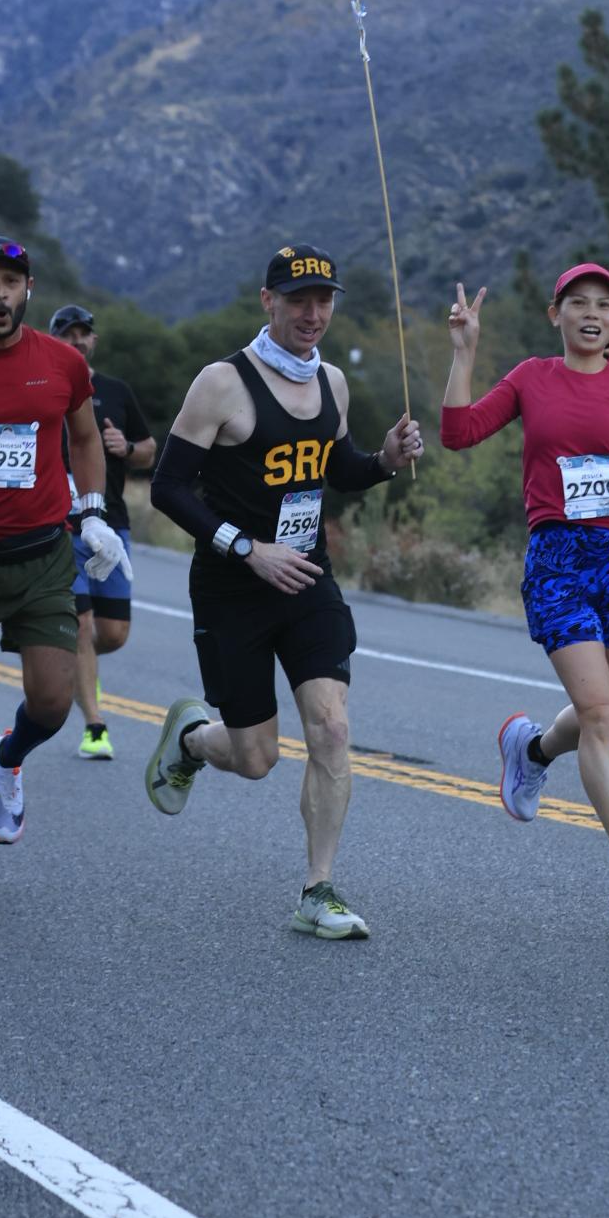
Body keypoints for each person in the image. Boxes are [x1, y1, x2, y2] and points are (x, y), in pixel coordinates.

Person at [144, 242, 421, 940]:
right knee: (256, 758)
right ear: (268, 301)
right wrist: (247, 548)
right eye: (298, 300)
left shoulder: (333, 383)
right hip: (232, 588)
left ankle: (317, 890)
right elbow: (168, 488)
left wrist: (385, 461)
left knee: (332, 728)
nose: (313, 313)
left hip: (306, 580)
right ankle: (193, 740)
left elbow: (339, 468)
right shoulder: (222, 383)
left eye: (323, 300)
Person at [441, 264, 609, 916]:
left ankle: (530, 749)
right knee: (601, 717)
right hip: (558, 561)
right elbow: (458, 433)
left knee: (605, 718)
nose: (592, 314)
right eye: (578, 303)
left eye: (604, 305)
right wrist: (464, 353)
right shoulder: (532, 377)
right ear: (556, 314)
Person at [0, 239, 126, 884]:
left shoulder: (64, 362)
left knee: (52, 703)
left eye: (10, 281)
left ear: (28, 289)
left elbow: (85, 437)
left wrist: (92, 513)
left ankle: (7, 758)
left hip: (44, 553)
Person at [49, 302, 157, 760]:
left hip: (111, 525)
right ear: (54, 339)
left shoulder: (115, 391)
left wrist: (126, 446)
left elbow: (149, 449)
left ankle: (72, 663)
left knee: (112, 633)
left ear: (93, 340)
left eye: (83, 334)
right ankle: (95, 727)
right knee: (81, 624)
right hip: (61, 527)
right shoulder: (43, 387)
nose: (76, 341)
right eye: (67, 334)